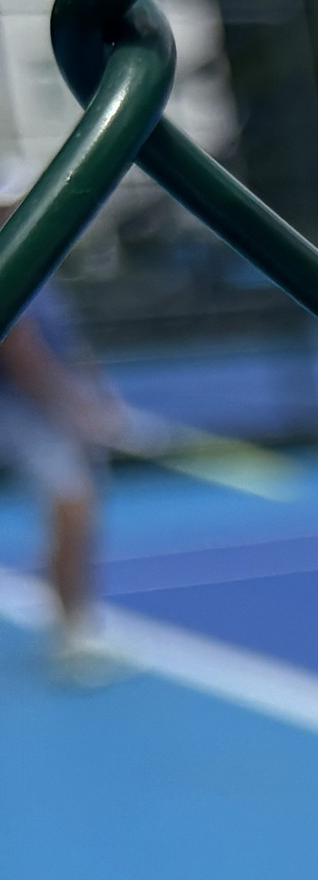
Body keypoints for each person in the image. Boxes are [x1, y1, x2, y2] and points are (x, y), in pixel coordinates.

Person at [0, 165, 126, 682]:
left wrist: (96, 394)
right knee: (73, 510)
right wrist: (75, 407)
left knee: (76, 512)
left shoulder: (37, 257)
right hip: (23, 413)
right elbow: (21, 352)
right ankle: (74, 634)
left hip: (40, 412)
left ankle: (75, 627)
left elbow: (65, 341)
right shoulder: (10, 262)